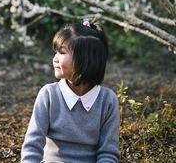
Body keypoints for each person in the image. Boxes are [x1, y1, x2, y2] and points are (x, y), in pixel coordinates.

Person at [21, 20, 120, 163]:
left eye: (61, 52)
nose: (54, 59)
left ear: (85, 60)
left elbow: (108, 153)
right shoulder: (49, 95)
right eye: (55, 52)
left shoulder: (107, 100)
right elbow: (32, 146)